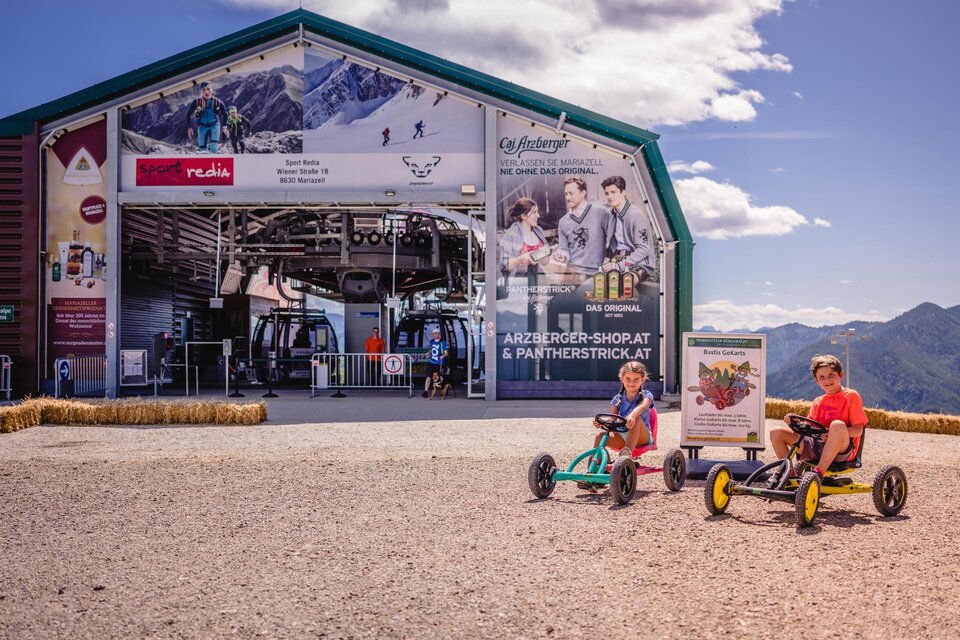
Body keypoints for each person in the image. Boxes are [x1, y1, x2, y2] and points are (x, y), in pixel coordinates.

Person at [768, 354, 867, 478]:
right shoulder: (818, 401)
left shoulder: (851, 396)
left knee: (837, 425)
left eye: (831, 376)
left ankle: (818, 473)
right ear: (817, 381)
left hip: (841, 450)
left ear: (840, 375)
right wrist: (795, 423)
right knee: (775, 432)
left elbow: (858, 430)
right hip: (817, 446)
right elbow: (809, 429)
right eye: (822, 377)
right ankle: (790, 476)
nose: (827, 381)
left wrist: (833, 435)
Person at [579, 360, 655, 491]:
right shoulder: (618, 399)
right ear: (622, 379)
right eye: (628, 379)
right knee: (600, 435)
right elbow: (612, 419)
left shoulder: (646, 395)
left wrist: (632, 415)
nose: (631, 383)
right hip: (622, 435)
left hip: (642, 437)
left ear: (642, 380)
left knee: (635, 420)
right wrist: (601, 423)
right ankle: (594, 471)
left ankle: (626, 456)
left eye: (636, 379)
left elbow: (643, 406)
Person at [552, 177, 612, 277]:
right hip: (571, 273)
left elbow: (613, 239)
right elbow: (564, 249)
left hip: (596, 273)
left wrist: (609, 259)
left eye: (571, 193)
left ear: (583, 193)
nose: (567, 197)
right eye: (566, 194)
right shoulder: (563, 222)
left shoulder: (601, 213)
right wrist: (562, 256)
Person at [599, 175, 656, 281]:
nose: (609, 196)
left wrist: (619, 265)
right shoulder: (612, 215)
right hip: (616, 260)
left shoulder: (636, 215)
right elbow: (612, 245)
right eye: (607, 193)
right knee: (593, 284)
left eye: (613, 192)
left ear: (623, 192)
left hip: (638, 263)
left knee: (621, 285)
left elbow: (644, 249)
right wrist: (607, 261)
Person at [499, 197, 549, 277]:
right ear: (523, 216)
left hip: (539, 278)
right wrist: (521, 259)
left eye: (537, 212)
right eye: (534, 212)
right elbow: (504, 266)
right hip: (519, 281)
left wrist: (547, 255)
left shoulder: (539, 231)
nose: (538, 215)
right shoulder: (510, 234)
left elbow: (545, 262)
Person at [186, 81, 229, 153]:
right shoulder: (196, 102)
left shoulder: (217, 102)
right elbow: (189, 114)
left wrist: (224, 127)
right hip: (202, 126)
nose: (206, 92)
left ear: (212, 90)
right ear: (200, 92)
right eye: (203, 90)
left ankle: (214, 161)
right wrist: (189, 127)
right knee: (202, 148)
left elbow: (225, 113)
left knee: (213, 146)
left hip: (214, 124)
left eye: (208, 89)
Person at [422, 328, 448, 397]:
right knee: (428, 377)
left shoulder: (442, 342)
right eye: (435, 333)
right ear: (433, 335)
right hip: (431, 362)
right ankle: (425, 392)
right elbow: (433, 349)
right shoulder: (432, 341)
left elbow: (446, 353)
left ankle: (444, 390)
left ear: (439, 334)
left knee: (441, 377)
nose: (436, 334)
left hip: (439, 362)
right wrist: (428, 353)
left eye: (437, 333)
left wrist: (443, 356)